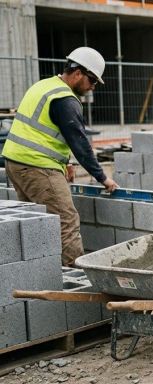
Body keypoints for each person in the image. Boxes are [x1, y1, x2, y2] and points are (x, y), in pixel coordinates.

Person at [2, 47, 118, 266]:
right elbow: (80, 144)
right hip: (36, 166)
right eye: (92, 81)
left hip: (15, 163)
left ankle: (43, 270)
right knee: (66, 220)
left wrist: (66, 161)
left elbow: (46, 131)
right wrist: (104, 178)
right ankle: (75, 278)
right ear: (78, 73)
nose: (92, 87)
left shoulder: (45, 86)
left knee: (37, 222)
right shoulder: (65, 99)